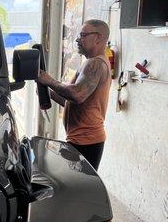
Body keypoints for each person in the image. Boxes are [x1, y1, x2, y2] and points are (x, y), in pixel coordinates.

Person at [37, 19, 112, 171]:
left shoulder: (95, 64)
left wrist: (49, 80)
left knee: (80, 189)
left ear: (98, 38)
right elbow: (74, 102)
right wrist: (50, 93)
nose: (78, 39)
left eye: (83, 35)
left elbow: (77, 95)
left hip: (86, 141)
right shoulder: (92, 63)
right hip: (82, 139)